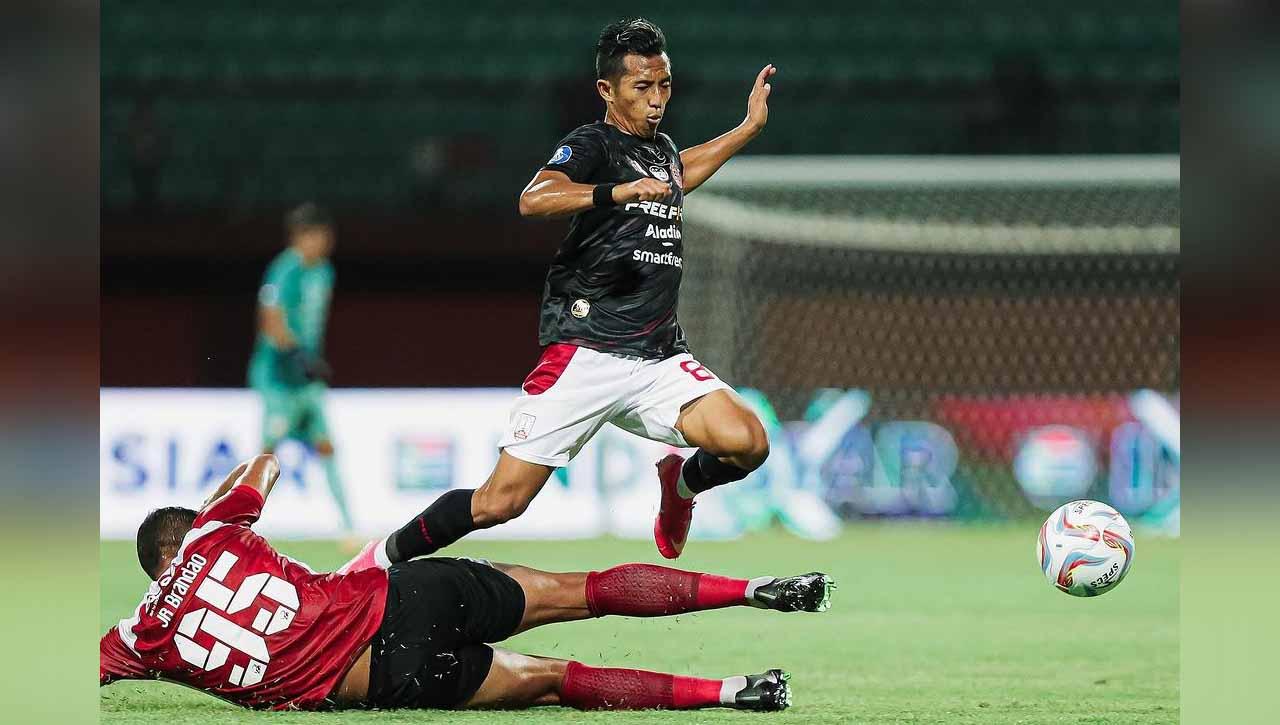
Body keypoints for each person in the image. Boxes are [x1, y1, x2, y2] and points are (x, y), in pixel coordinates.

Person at [361, 17, 779, 569]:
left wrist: (746, 129)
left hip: (658, 357)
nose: (657, 101)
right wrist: (618, 191)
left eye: (664, 86)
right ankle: (373, 564)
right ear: (607, 90)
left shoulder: (660, 149)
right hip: (587, 352)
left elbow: (681, 172)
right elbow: (534, 198)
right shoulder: (593, 144)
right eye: (642, 88)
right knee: (499, 503)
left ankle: (679, 485)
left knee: (748, 440)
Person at [100, 455, 835, 712]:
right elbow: (264, 462)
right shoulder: (214, 531)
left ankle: (732, 691)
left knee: (552, 679)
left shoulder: (138, 636)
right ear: (186, 533)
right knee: (577, 589)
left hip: (389, 676)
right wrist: (208, 518)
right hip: (406, 593)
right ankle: (752, 585)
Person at [247, 202, 352, 531]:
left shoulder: (324, 272)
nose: (325, 242)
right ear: (301, 237)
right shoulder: (284, 270)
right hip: (278, 378)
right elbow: (270, 319)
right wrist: (296, 353)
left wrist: (310, 360)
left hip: (306, 378)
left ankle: (348, 526)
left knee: (325, 445)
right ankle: (241, 524)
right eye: (319, 236)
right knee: (268, 452)